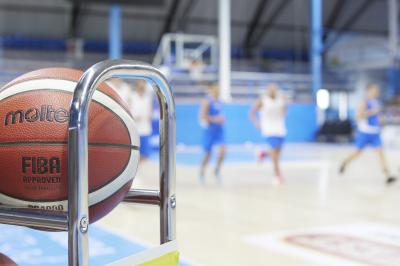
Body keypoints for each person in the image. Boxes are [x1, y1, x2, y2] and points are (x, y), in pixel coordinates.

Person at [339, 84, 397, 184]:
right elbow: (359, 116)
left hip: (375, 133)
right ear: (369, 90)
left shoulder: (377, 102)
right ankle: (344, 163)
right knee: (357, 152)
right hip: (364, 133)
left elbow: (377, 117)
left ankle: (387, 175)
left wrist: (380, 120)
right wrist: (371, 112)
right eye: (374, 90)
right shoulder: (364, 102)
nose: (376, 92)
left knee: (381, 154)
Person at [249, 83, 287, 185]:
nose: (272, 91)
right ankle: (277, 175)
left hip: (280, 128)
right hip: (269, 129)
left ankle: (263, 153)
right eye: (270, 89)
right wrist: (256, 123)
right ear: (267, 90)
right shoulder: (262, 100)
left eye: (274, 89)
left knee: (277, 153)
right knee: (274, 155)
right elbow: (252, 112)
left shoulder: (281, 99)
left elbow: (284, 110)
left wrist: (283, 113)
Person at [199, 83, 226, 183]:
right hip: (209, 130)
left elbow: (219, 114)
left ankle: (216, 170)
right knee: (208, 154)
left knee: (223, 151)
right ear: (211, 89)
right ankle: (202, 171)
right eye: (216, 88)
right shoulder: (207, 101)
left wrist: (222, 119)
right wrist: (215, 119)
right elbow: (202, 116)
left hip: (219, 130)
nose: (218, 90)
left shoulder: (220, 101)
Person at [127, 80, 154, 162]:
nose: (142, 85)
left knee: (145, 155)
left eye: (144, 83)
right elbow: (128, 109)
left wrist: (148, 117)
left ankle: (140, 170)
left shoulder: (147, 97)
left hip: (145, 127)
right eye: (140, 83)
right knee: (134, 154)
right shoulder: (131, 96)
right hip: (135, 128)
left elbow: (150, 111)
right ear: (136, 84)